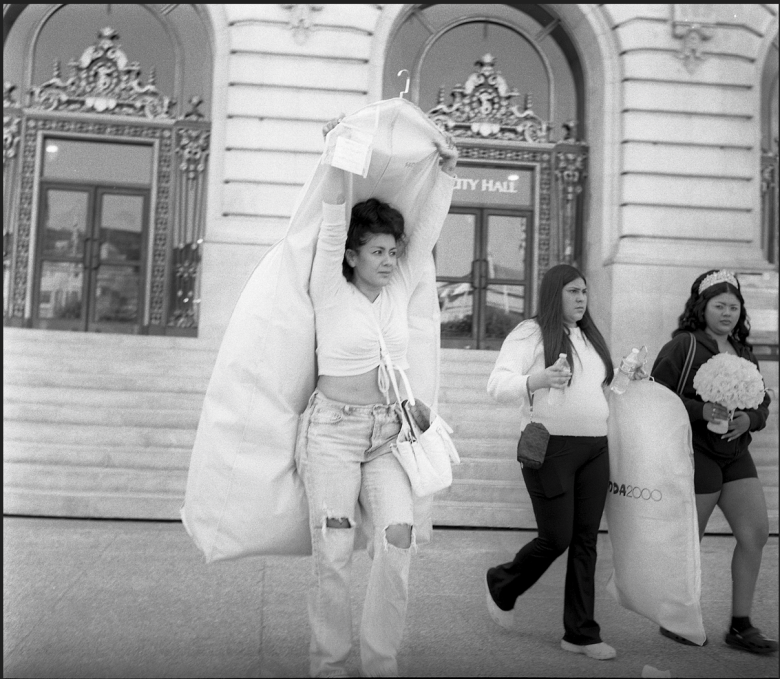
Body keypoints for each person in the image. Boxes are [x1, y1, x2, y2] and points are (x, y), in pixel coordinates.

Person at [293, 117, 457, 677]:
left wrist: (445, 176)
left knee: (398, 542)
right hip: (332, 434)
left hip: (389, 435)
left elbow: (429, 231)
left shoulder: (402, 285)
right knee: (333, 554)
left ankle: (380, 660)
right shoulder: (328, 285)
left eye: (393, 251)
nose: (390, 259)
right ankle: (330, 664)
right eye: (379, 251)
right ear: (354, 254)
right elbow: (334, 216)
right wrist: (341, 151)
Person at [484, 264, 617, 661]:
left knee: (586, 542)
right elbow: (496, 384)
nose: (581, 299)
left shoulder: (589, 336)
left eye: (585, 292)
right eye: (573, 291)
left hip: (595, 448)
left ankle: (580, 633)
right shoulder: (530, 332)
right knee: (556, 537)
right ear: (554, 292)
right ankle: (502, 583)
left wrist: (627, 376)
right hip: (549, 448)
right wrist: (537, 379)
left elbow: (598, 389)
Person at [651, 269, 776, 654]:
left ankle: (740, 626)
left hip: (736, 453)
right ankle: (677, 617)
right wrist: (700, 409)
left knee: (755, 534)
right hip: (697, 452)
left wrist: (749, 419)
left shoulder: (743, 350)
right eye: (719, 306)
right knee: (692, 540)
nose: (727, 313)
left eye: (733, 307)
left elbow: (762, 402)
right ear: (701, 308)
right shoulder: (684, 346)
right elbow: (654, 395)